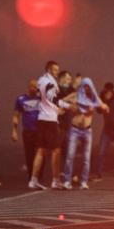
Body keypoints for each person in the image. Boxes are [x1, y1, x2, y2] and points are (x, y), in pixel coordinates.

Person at [62, 77, 108, 190]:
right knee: (70, 156)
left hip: (87, 130)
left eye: (88, 86)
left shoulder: (93, 97)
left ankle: (83, 181)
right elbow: (61, 101)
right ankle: (67, 181)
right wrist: (70, 106)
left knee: (86, 158)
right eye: (84, 86)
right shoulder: (75, 95)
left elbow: (106, 108)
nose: (86, 88)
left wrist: (102, 108)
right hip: (74, 129)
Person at [29, 61, 66, 189]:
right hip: (50, 120)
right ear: (49, 70)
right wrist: (62, 107)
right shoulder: (50, 82)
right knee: (56, 150)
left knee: (41, 150)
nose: (57, 72)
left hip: (42, 119)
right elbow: (51, 99)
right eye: (55, 70)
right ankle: (55, 181)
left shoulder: (41, 80)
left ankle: (33, 180)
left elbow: (42, 98)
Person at [12, 79, 41, 181]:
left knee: (41, 153)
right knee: (29, 155)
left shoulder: (41, 99)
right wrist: (14, 131)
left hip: (40, 131)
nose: (35, 89)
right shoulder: (21, 99)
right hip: (28, 131)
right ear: (29, 87)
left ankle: (39, 176)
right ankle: (31, 177)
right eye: (33, 86)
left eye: (37, 87)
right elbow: (16, 116)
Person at [54, 70, 75, 188]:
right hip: (58, 124)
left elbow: (75, 100)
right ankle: (57, 176)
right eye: (67, 78)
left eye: (70, 79)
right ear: (61, 78)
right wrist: (67, 100)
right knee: (57, 150)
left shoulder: (71, 89)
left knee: (69, 151)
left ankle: (69, 175)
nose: (69, 81)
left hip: (69, 124)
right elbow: (55, 102)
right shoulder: (56, 90)